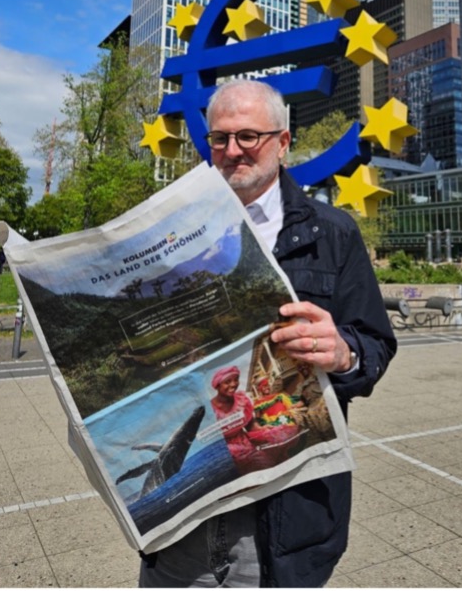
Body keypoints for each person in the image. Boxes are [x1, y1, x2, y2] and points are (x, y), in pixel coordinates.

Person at [140, 78, 397, 588]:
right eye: (219, 138)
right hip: (182, 519)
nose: (232, 151)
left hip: (282, 517)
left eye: (248, 137)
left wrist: (344, 353)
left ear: (282, 142)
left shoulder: (334, 233)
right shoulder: (170, 233)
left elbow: (376, 344)